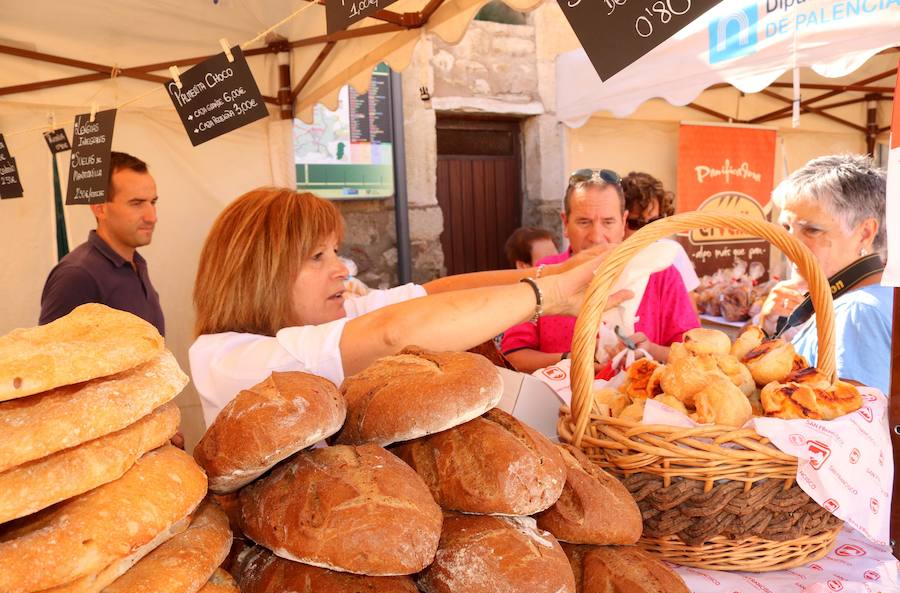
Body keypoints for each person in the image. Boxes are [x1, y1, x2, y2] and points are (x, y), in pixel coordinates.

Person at [189, 188, 630, 426]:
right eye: (317, 256)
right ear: (261, 273)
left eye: (336, 252)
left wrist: (553, 276)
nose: (342, 269)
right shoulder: (226, 359)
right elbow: (394, 332)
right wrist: (546, 298)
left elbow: (432, 294)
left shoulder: (326, 318)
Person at [501, 168, 699, 373]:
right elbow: (513, 356)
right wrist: (573, 359)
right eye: (584, 222)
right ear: (565, 224)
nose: (596, 236)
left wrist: (652, 350)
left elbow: (693, 351)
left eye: (608, 222)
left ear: (623, 222)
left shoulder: (662, 274)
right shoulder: (544, 274)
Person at [758, 154, 891, 394]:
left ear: (864, 233)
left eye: (811, 230)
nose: (789, 243)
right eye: (786, 227)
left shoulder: (857, 311)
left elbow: (852, 419)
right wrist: (768, 329)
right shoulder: (875, 295)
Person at [39, 152, 164, 335]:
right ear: (100, 208)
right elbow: (52, 356)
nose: (152, 217)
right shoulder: (77, 276)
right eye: (136, 203)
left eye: (152, 202)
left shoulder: (135, 262)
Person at [621, 171, 700, 294]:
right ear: (620, 220)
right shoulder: (606, 258)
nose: (647, 231)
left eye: (653, 221)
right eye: (636, 223)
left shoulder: (672, 253)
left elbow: (689, 309)